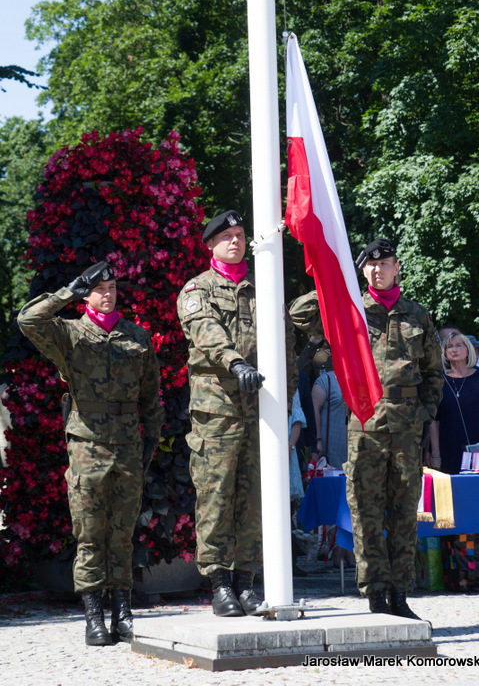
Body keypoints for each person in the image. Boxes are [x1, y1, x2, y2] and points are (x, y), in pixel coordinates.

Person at [290, 238, 443, 620]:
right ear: (362, 270)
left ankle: (400, 594)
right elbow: (299, 314)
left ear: (396, 267)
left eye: (385, 263)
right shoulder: (350, 311)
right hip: (366, 422)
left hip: (406, 425)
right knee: (365, 511)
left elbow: (433, 372)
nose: (378, 270)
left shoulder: (417, 315)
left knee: (404, 512)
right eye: (370, 265)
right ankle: (375, 595)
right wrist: (337, 282)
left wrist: (424, 412)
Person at [18, 262, 164, 646]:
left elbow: (151, 395)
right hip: (88, 444)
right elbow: (28, 320)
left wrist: (151, 439)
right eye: (99, 288)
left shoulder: (136, 336)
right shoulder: (69, 333)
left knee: (122, 533)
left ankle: (123, 613)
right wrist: (69, 291)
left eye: (112, 287)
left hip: (128, 445)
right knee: (89, 532)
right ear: (88, 294)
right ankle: (94, 617)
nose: (108, 294)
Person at [177, 210, 297, 617]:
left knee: (255, 499)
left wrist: (286, 401)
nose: (235, 241)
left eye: (241, 234)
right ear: (211, 244)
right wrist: (235, 362)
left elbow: (286, 348)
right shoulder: (198, 289)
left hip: (261, 410)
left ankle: (246, 581)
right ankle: (220, 584)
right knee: (217, 495)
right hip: (218, 411)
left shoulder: (264, 287)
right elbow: (206, 332)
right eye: (226, 236)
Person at [430, 332, 479, 475]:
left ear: (468, 350)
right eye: (450, 346)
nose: (454, 350)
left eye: (459, 345)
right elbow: (434, 421)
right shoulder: (438, 381)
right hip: (449, 446)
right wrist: (435, 454)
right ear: (445, 353)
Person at [311, 367, 347, 469]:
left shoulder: (363, 380)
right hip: (331, 453)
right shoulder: (325, 381)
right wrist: (317, 440)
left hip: (356, 451)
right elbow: (314, 409)